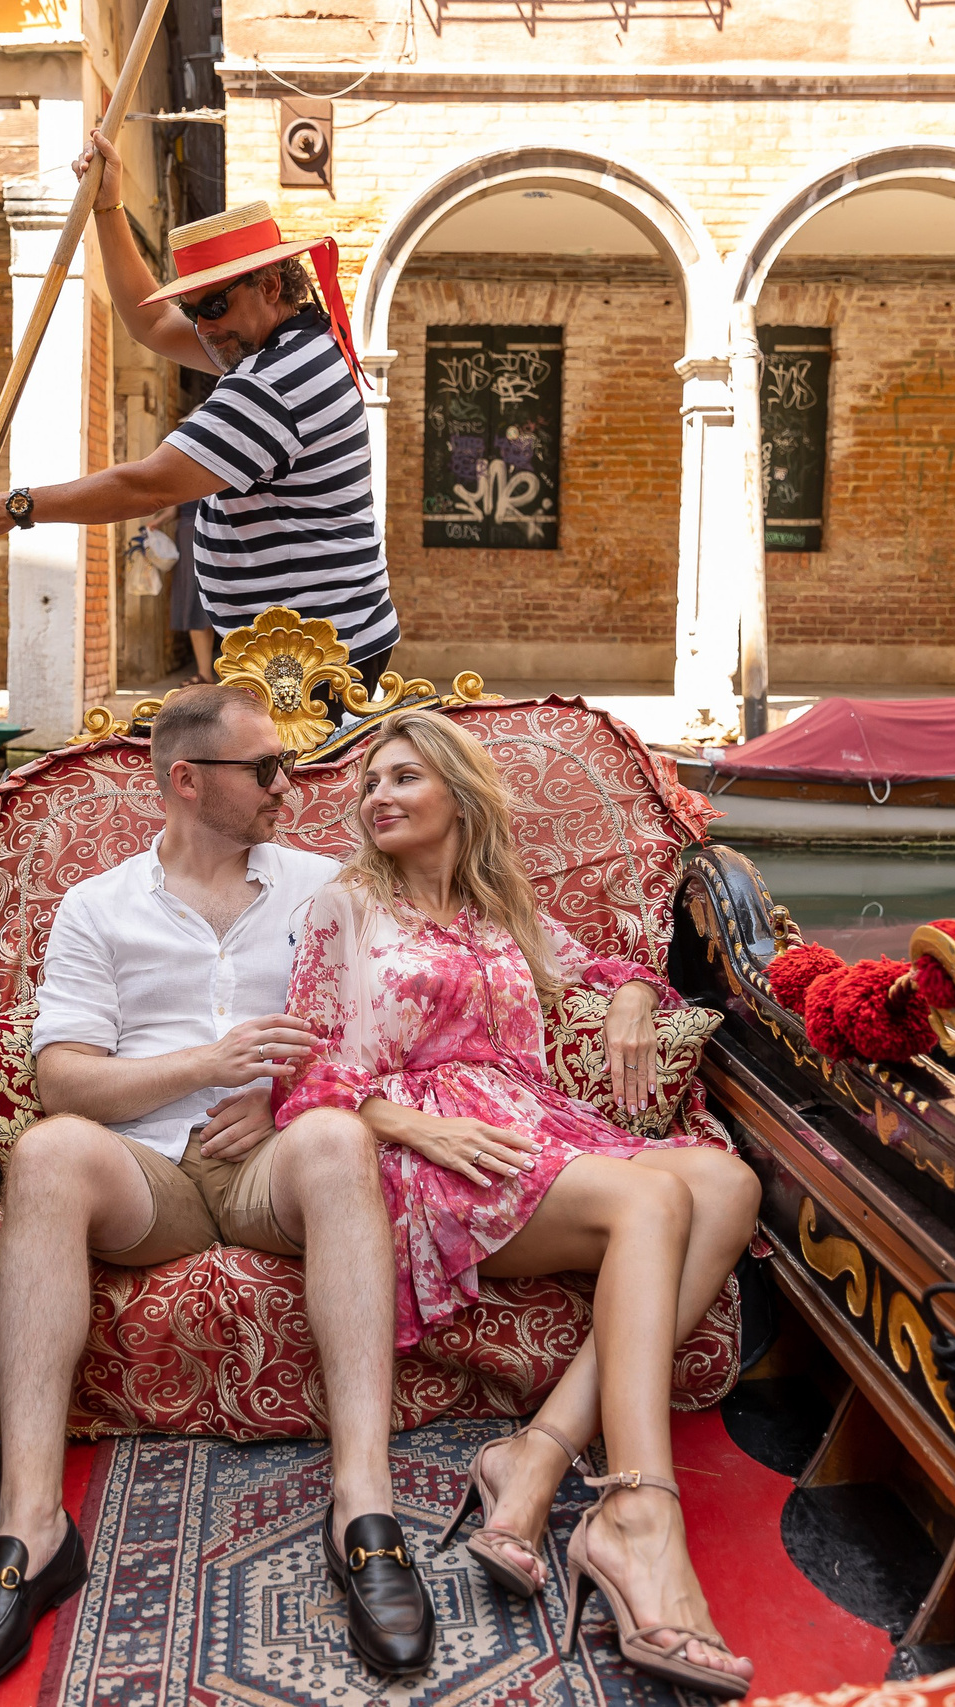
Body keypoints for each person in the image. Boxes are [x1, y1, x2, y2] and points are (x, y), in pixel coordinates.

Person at [0, 685, 435, 1696]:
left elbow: (392, 1016)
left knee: (337, 1139)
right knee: (45, 1153)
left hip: (271, 1167)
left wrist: (289, 1096)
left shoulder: (323, 886)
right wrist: (206, 1064)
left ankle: (362, 1508)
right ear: (186, 781)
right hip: (146, 1174)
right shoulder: (98, 906)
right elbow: (65, 1077)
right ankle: (30, 1528)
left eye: (283, 766)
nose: (285, 787)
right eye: (262, 770)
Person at [274, 710, 762, 1697]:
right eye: (370, 785)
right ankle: (636, 1514)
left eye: (404, 778)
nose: (379, 798)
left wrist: (630, 995)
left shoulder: (500, 907)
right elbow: (303, 1072)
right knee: (645, 1204)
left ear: (459, 794)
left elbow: (612, 968)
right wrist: (411, 1128)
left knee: (727, 1180)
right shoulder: (345, 906)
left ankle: (534, 1454)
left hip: (531, 1132)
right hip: (424, 1152)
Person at [0, 140, 399, 699]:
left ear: (270, 287)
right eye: (195, 309)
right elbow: (154, 325)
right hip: (321, 635)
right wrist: (109, 210)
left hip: (312, 651)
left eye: (213, 308)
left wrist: (14, 509)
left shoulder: (269, 381)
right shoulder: (292, 338)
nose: (204, 328)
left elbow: (146, 486)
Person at [169, 496, 216, 683]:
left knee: (196, 596)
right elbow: (171, 510)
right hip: (192, 533)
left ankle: (206, 674)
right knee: (195, 598)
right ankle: (204, 673)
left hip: (201, 533)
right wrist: (155, 525)